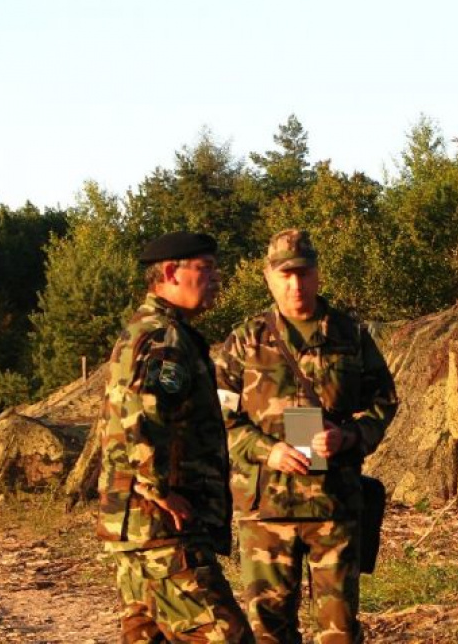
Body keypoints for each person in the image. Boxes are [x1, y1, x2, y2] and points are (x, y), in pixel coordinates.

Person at [216, 229, 398, 644]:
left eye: (303, 273)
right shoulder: (245, 341)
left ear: (317, 275)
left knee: (339, 631)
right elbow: (219, 418)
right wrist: (266, 450)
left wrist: (348, 436)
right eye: (285, 275)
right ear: (269, 278)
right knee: (269, 631)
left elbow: (384, 401)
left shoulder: (350, 335)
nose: (295, 284)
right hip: (266, 510)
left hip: (333, 504)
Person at [97, 231, 252, 643]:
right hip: (162, 526)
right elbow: (140, 416)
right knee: (227, 635)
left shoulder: (146, 330)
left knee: (149, 635)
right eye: (206, 268)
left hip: (135, 523)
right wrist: (159, 488)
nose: (217, 278)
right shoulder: (164, 337)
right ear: (170, 272)